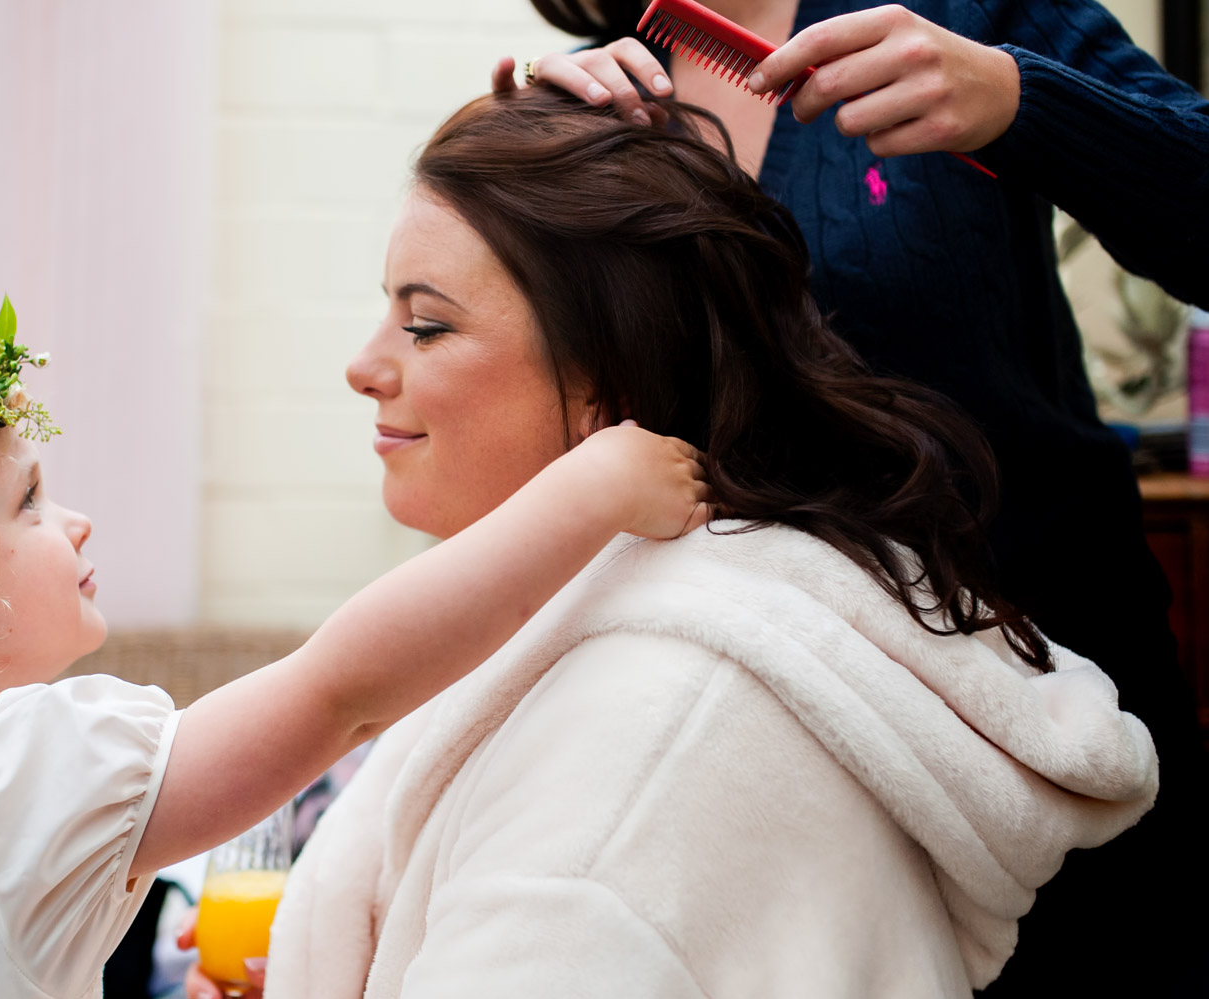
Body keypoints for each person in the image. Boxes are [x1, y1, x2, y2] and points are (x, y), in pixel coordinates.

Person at [246, 88, 1159, 998]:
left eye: (426, 325)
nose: (364, 367)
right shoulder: (642, 631)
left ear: (608, 376)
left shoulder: (632, 767)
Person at [499, 2, 1208, 992]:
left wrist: (1016, 99)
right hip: (764, 750)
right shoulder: (598, 94)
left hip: (1054, 707)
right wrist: (511, 193)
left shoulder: (968, 14)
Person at [0, 306, 712, 996]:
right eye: (27, 503)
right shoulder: (10, 788)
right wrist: (588, 493)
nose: (77, 522)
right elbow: (341, 690)